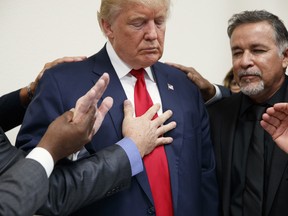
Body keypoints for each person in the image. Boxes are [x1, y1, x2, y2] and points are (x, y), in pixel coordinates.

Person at [15, 0, 219, 215]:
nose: (152, 34)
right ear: (108, 26)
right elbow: (31, 177)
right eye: (138, 23)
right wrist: (74, 148)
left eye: (159, 22)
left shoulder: (184, 84)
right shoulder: (62, 82)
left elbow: (205, 173)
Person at [1, 59, 176, 215]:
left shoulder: (179, 83)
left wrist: (28, 93)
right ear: (107, 27)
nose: (152, 34)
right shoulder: (58, 81)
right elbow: (37, 193)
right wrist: (52, 148)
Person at [207, 10, 288, 216]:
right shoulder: (216, 116)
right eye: (237, 52)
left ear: (285, 56)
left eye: (257, 50)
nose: (244, 62)